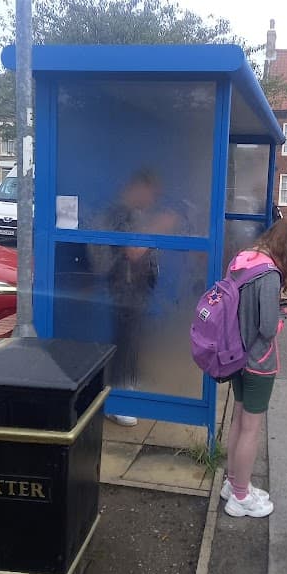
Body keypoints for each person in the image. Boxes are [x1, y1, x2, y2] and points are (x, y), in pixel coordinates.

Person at [221, 216, 287, 518]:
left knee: (238, 420)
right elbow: (268, 328)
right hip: (258, 362)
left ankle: (232, 483)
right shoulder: (270, 275)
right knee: (251, 428)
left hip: (235, 355)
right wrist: (282, 314)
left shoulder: (243, 259)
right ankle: (241, 497)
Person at [87, 169, 177, 426]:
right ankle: (117, 402)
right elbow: (133, 251)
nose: (153, 200)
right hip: (121, 289)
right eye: (153, 194)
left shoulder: (135, 212)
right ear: (139, 187)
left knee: (132, 340)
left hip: (135, 289)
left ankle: (127, 392)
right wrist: (159, 226)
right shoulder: (118, 212)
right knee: (124, 342)